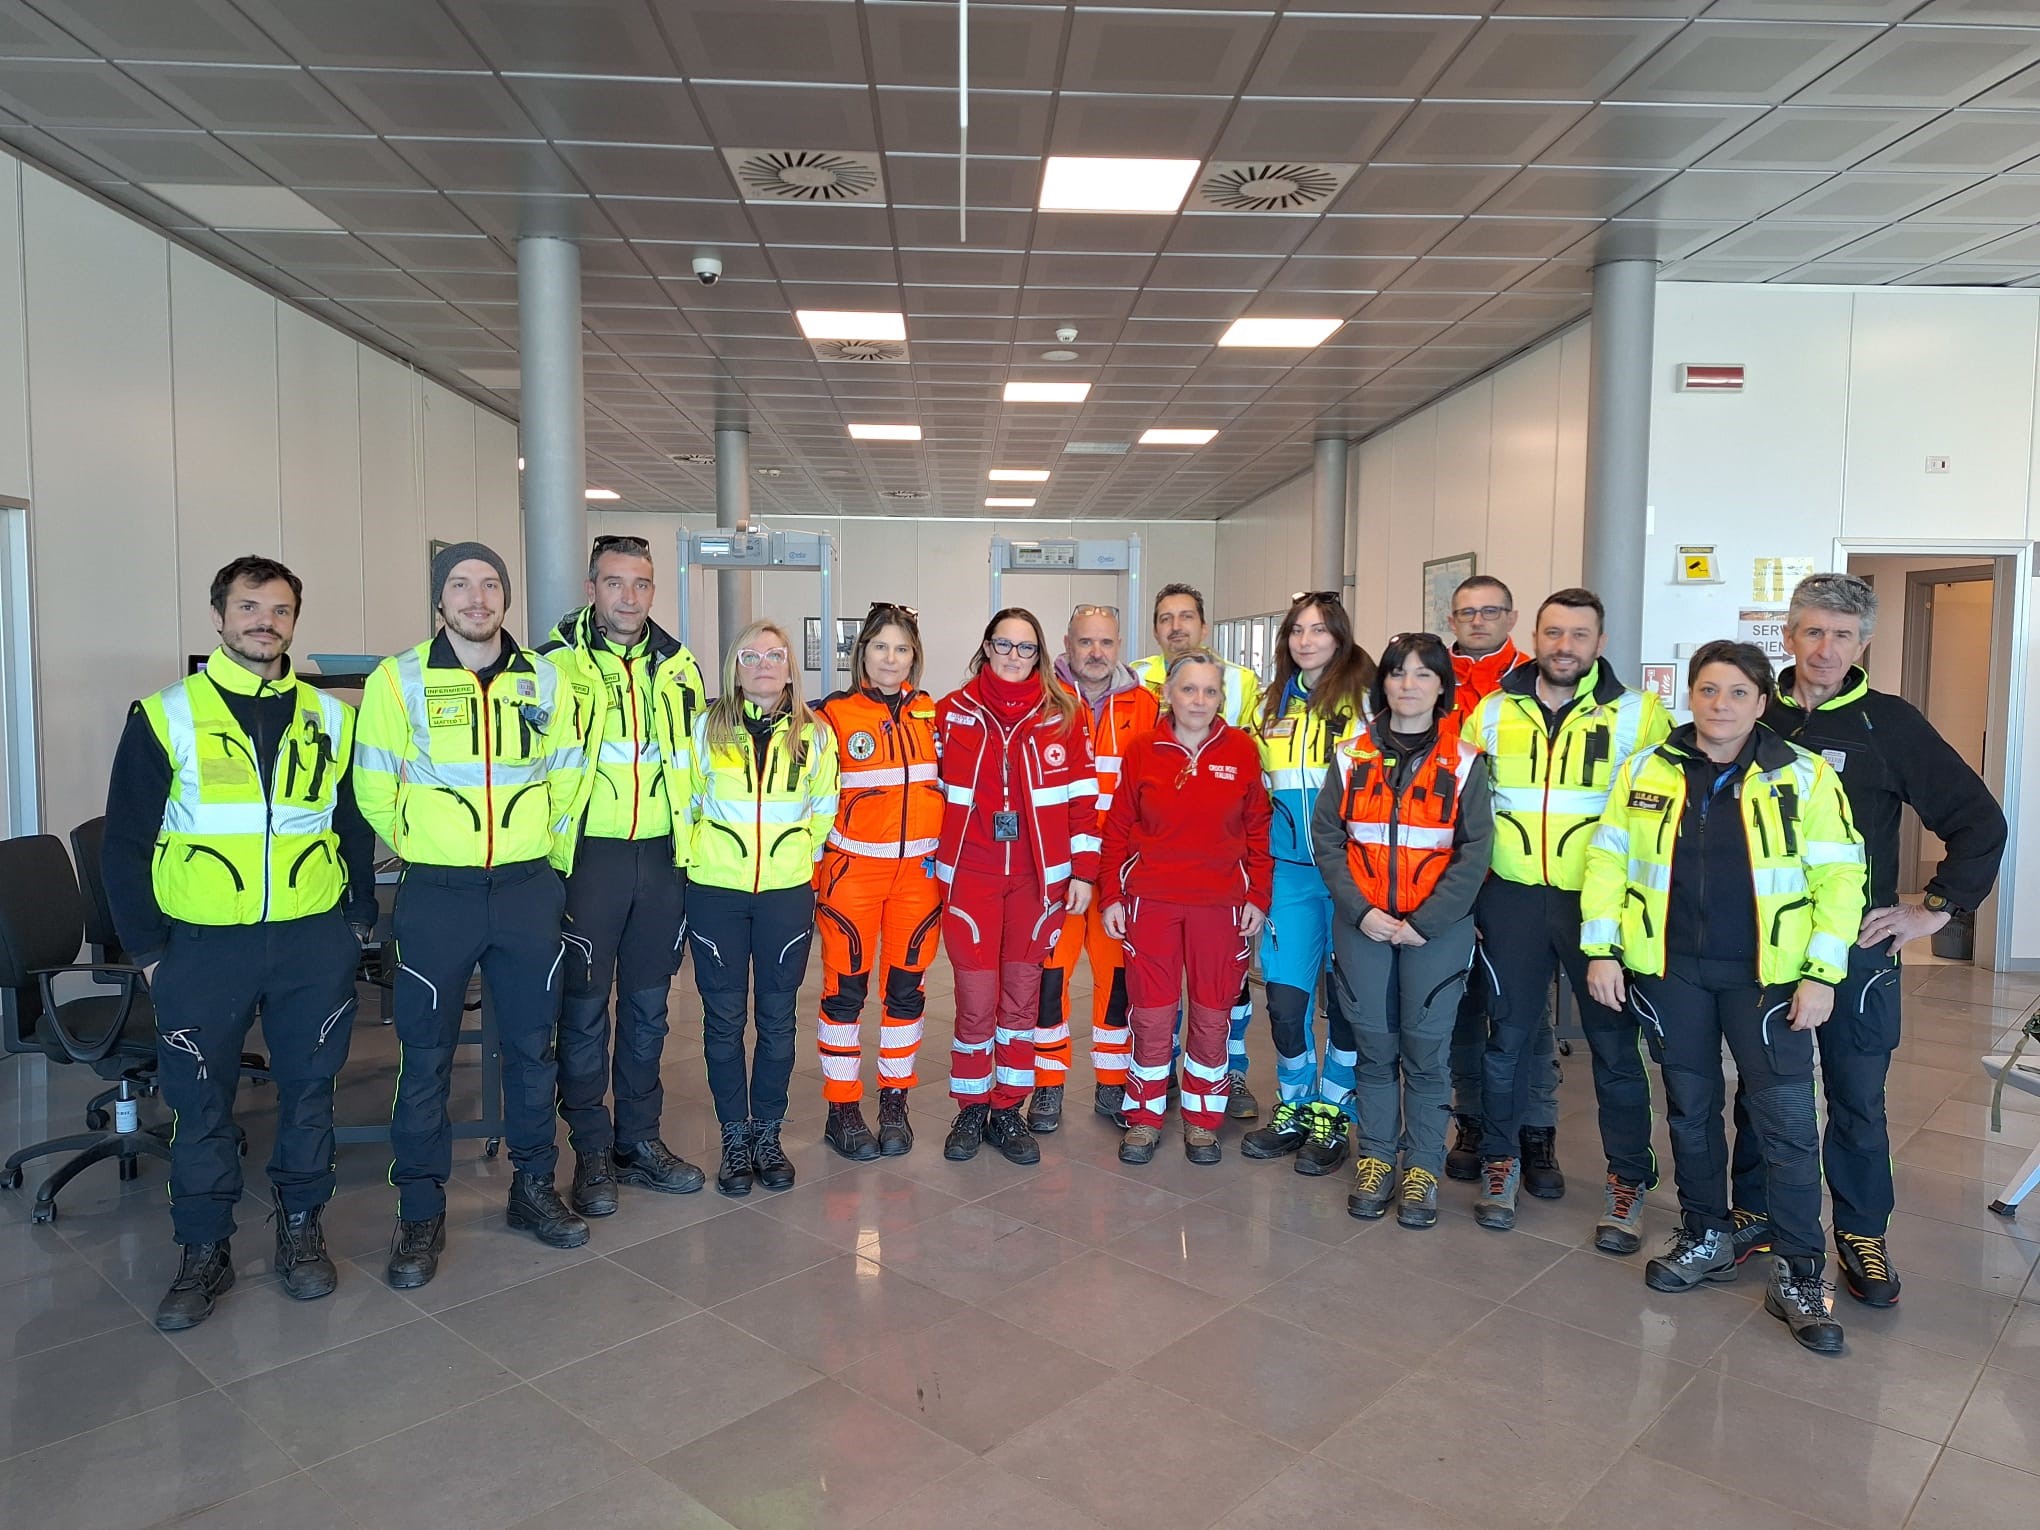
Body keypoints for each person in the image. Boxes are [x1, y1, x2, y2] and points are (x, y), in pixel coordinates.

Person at [102, 556, 377, 1330]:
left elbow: (352, 826)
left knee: (310, 1094)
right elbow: (125, 842)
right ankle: (203, 1249)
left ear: (295, 622)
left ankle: (301, 1230)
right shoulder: (166, 714)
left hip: (310, 941)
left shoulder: (330, 717)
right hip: (202, 947)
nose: (266, 622)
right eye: (250, 607)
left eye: (280, 610)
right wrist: (149, 951)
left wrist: (355, 920)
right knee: (200, 1105)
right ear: (220, 617)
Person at [1728, 574, 2006, 1307]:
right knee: (1762, 1091)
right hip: (1766, 948)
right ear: (1788, 635)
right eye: (1814, 631)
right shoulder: (1752, 713)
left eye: (1843, 635)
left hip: (1856, 949)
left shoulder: (1890, 723)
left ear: (1864, 644)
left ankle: (1861, 1233)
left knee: (1855, 1096)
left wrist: (1936, 909)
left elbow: (1979, 820)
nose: (1826, 649)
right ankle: (1755, 1214)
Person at [1583, 641, 1865, 1356]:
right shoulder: (1646, 769)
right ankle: (1706, 1233)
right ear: (1691, 696)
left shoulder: (1802, 775)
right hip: (1671, 970)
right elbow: (1609, 858)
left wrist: (1822, 973)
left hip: (1770, 980)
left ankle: (1800, 1272)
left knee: (1787, 1126)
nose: (1721, 705)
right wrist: (1601, 948)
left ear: (1762, 703)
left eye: (1738, 692)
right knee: (1690, 1110)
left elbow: (1841, 879)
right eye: (1708, 690)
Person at [355, 541, 592, 1290]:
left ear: (506, 596)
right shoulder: (398, 679)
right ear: (440, 599)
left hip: (527, 889)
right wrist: (420, 846)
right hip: (439, 894)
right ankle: (420, 1211)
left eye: (490, 584)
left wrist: (549, 861)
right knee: (424, 1056)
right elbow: (373, 785)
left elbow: (570, 776)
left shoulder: (545, 680)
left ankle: (533, 1187)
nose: (477, 598)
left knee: (532, 1050)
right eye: (460, 584)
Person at [1465, 587, 1668, 1252]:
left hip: (1599, 906)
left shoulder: (1641, 715)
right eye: (1553, 632)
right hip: (1513, 899)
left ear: (1600, 643)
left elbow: (1662, 819)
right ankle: (1501, 1162)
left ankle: (1627, 1182)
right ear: (1535, 636)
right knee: (1507, 1039)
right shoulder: (1493, 710)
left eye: (1579, 635)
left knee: (1615, 1047)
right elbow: (1465, 811)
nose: (1564, 646)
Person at [538, 534, 708, 1217]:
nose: (629, 597)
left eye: (641, 583)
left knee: (647, 1010)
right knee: (583, 1012)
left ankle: (638, 1140)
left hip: (661, 861)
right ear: (591, 589)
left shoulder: (681, 667)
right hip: (589, 862)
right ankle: (591, 1151)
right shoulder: (551, 665)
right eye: (614, 582)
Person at [1314, 633, 1492, 1229]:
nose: (1408, 684)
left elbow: (1475, 850)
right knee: (1373, 1045)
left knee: (1425, 1049)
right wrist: (1361, 911)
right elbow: (1328, 839)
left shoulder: (1464, 761)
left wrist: (1425, 923)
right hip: (1362, 923)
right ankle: (1376, 1158)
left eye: (1422, 674)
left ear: (1442, 686)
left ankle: (1421, 1167)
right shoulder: (1350, 755)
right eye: (1397, 673)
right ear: (1382, 683)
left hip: (1435, 932)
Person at [934, 608, 1097, 1165]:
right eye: (1003, 644)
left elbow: (1083, 800)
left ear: (1039, 655)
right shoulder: (950, 712)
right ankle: (971, 1106)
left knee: (1022, 1003)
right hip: (970, 880)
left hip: (1036, 882)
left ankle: (1007, 1108)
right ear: (986, 647)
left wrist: (1083, 871)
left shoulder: (1064, 714)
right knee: (976, 1003)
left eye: (1025, 647)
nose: (1013, 656)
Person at [682, 621, 839, 1195]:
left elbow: (824, 808)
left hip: (784, 894)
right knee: (724, 1021)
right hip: (716, 894)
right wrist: (698, 860)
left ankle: (767, 1134)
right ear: (735, 667)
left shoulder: (815, 735)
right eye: (751, 655)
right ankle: (734, 1135)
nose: (764, 665)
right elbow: (686, 803)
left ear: (790, 667)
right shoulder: (706, 729)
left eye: (775, 655)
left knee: (776, 1020)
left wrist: (796, 857)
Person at [1101, 651, 1271, 1164]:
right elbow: (1117, 828)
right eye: (1189, 689)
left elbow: (1258, 830)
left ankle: (1202, 1119)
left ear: (1222, 698)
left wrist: (1258, 896)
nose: (1199, 700)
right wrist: (1111, 895)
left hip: (1220, 906)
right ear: (1168, 694)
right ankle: (1144, 1116)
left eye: (1210, 691)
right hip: (1151, 902)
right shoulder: (1142, 749)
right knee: (1152, 1016)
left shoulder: (1241, 750)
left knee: (1212, 1016)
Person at [1240, 591, 1373, 1175]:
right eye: (1297, 630)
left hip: (1350, 876)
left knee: (1346, 1004)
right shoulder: (1268, 706)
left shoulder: (1368, 702)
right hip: (1288, 877)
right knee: (1287, 1005)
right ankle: (1294, 1104)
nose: (1306, 640)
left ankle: (1334, 1111)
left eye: (1319, 629)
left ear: (1339, 636)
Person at [811, 603, 943, 1159]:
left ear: (915, 656)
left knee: (907, 992)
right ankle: (842, 1107)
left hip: (919, 877)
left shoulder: (934, 716)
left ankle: (894, 1102)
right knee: (845, 993)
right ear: (862, 652)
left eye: (902, 648)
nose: (891, 658)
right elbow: (809, 801)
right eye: (881, 646)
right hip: (852, 875)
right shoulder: (830, 717)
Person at [1442, 575, 1561, 1191]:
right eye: (1467, 612)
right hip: (1449, 875)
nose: (1478, 620)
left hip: (1517, 877)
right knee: (1461, 1008)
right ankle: (1471, 1122)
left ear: (1512, 617)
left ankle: (1536, 1132)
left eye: (1490, 611)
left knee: (1524, 1014)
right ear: (1451, 619)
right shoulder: (1432, 678)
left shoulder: (1537, 682)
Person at [1132, 582, 1265, 1118]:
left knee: (1224, 996)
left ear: (1204, 626)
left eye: (1186, 617)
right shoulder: (1136, 680)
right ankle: (1158, 1079)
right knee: (1154, 998)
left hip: (1221, 874)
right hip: (1159, 879)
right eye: (1166, 618)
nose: (1176, 627)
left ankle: (1228, 1077)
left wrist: (1254, 887)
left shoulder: (1243, 681)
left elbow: (1250, 784)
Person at [1035, 602, 1159, 1129]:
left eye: (1106, 642)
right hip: (1055, 871)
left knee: (1117, 982)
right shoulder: (1041, 701)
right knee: (1049, 980)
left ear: (1119, 647)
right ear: (1067, 644)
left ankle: (1113, 1083)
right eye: (1085, 641)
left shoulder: (1147, 707)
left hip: (1118, 875)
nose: (1096, 652)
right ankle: (1046, 1085)